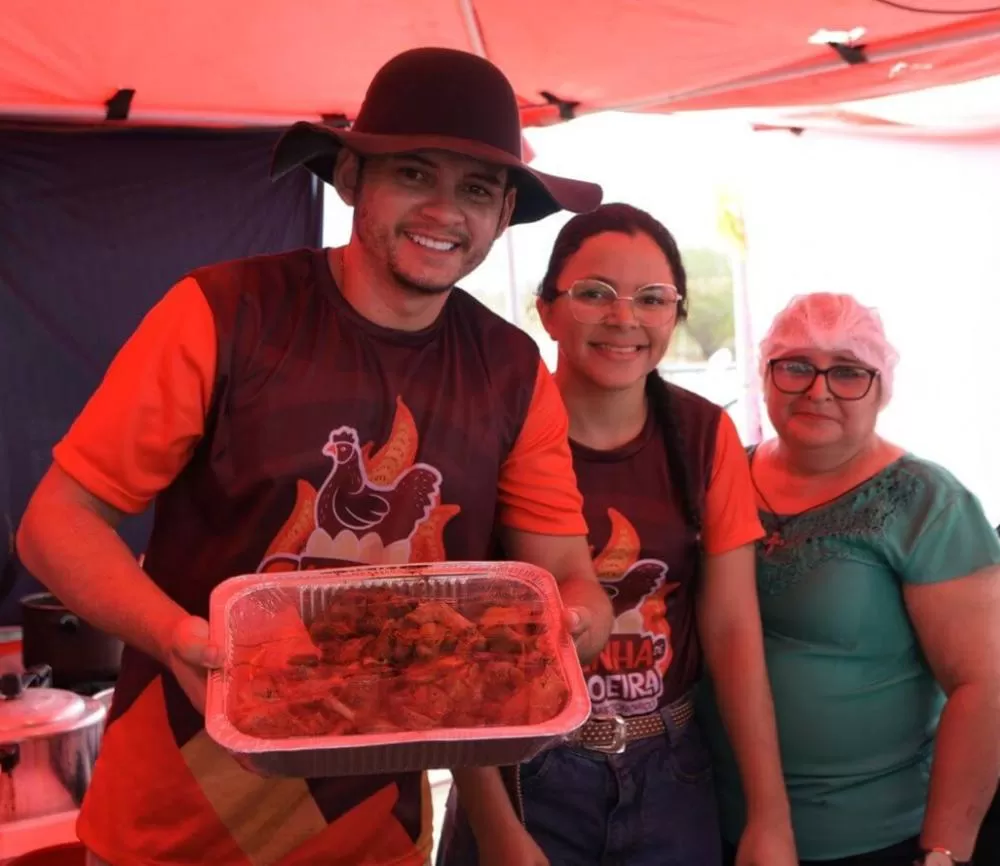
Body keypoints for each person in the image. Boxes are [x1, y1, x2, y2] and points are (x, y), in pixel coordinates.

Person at [15, 47, 614, 866]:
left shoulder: (511, 372)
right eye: (414, 173)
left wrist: (571, 630)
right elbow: (55, 524)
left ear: (505, 211)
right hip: (177, 814)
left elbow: (569, 579)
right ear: (349, 179)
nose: (445, 210)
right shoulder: (222, 314)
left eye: (477, 189)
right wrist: (176, 637)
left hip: (377, 828)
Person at [436, 203, 796, 866]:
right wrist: (497, 828)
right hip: (524, 775)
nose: (623, 318)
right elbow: (454, 656)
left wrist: (770, 817)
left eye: (652, 299)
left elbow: (733, 632)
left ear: (676, 315)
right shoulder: (490, 436)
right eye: (594, 293)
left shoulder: (702, 437)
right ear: (545, 310)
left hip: (670, 775)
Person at [700, 293, 1000, 866]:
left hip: (875, 839)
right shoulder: (721, 475)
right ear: (764, 376)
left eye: (847, 371)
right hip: (707, 818)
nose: (818, 390)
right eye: (795, 366)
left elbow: (983, 687)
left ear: (882, 388)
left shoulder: (926, 503)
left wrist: (944, 852)